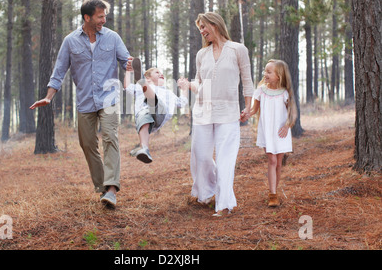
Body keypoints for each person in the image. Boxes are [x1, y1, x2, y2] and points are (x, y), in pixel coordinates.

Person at [30, 0, 134, 209]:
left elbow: (127, 62)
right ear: (87, 17)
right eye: (100, 16)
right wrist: (48, 97)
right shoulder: (70, 41)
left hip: (109, 99)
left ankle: (112, 189)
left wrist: (132, 70)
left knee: (110, 138)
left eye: (105, 16)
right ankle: (103, 188)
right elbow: (59, 71)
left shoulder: (113, 38)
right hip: (85, 100)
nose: (104, 20)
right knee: (87, 144)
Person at [187, 12, 254, 217]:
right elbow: (199, 82)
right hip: (203, 112)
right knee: (203, 156)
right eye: (200, 28)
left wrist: (248, 108)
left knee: (226, 159)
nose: (202, 31)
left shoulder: (237, 50)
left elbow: (247, 80)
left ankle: (224, 204)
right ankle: (207, 192)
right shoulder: (202, 55)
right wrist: (189, 85)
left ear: (215, 24)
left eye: (204, 27)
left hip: (228, 113)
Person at [249, 59, 297, 207]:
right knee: (272, 160)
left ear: (279, 75)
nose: (266, 74)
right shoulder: (261, 91)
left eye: (269, 72)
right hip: (267, 131)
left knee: (278, 164)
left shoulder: (284, 93)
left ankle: (275, 190)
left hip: (281, 132)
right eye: (265, 71)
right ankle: (273, 195)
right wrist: (245, 114)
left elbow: (292, 112)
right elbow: (253, 110)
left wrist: (287, 126)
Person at [124, 58, 189, 163]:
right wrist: (128, 71)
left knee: (154, 102)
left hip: (160, 114)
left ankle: (141, 81)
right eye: (157, 72)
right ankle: (144, 149)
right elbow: (127, 87)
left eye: (161, 73)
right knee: (144, 117)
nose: (160, 74)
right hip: (144, 116)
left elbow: (182, 102)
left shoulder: (169, 94)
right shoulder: (139, 88)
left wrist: (184, 88)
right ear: (148, 78)